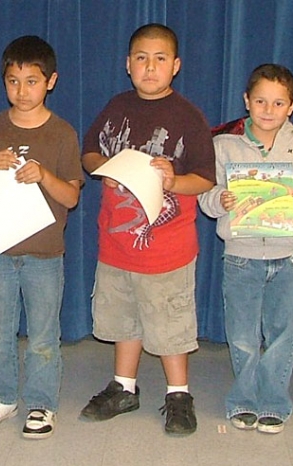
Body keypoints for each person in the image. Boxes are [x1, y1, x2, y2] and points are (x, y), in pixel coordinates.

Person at [79, 23, 215, 436]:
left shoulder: (188, 116)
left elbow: (205, 179)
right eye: (141, 58)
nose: (149, 67)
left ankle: (178, 394)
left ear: (175, 66)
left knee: (170, 325)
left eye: (159, 59)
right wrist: (106, 168)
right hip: (117, 244)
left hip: (166, 250)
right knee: (123, 319)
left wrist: (174, 181)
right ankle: (124, 386)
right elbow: (88, 154)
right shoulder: (116, 106)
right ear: (128, 65)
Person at [0, 35, 83, 440]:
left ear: (51, 82)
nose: (22, 90)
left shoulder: (62, 133)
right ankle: (0, 395)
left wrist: (44, 174)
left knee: (44, 336)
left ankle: (42, 403)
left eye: (32, 81)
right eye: (13, 81)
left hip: (45, 254)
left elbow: (72, 195)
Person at [199, 63, 293, 435]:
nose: (269, 110)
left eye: (278, 102)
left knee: (284, 334)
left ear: (292, 106)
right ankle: (242, 399)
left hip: (291, 257)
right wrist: (222, 198)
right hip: (241, 255)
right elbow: (206, 199)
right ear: (246, 101)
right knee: (242, 334)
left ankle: (273, 401)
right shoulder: (224, 146)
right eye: (261, 101)